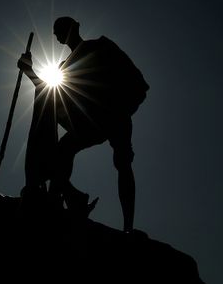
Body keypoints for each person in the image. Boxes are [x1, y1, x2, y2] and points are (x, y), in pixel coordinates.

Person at [18, 16, 148, 233]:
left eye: (64, 29)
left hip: (114, 113)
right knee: (63, 150)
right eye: (58, 32)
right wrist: (29, 71)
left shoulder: (101, 46)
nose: (61, 34)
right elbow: (48, 91)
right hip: (88, 122)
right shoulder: (63, 68)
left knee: (122, 162)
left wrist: (123, 107)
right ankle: (66, 199)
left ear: (76, 27)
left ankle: (128, 227)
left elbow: (135, 80)